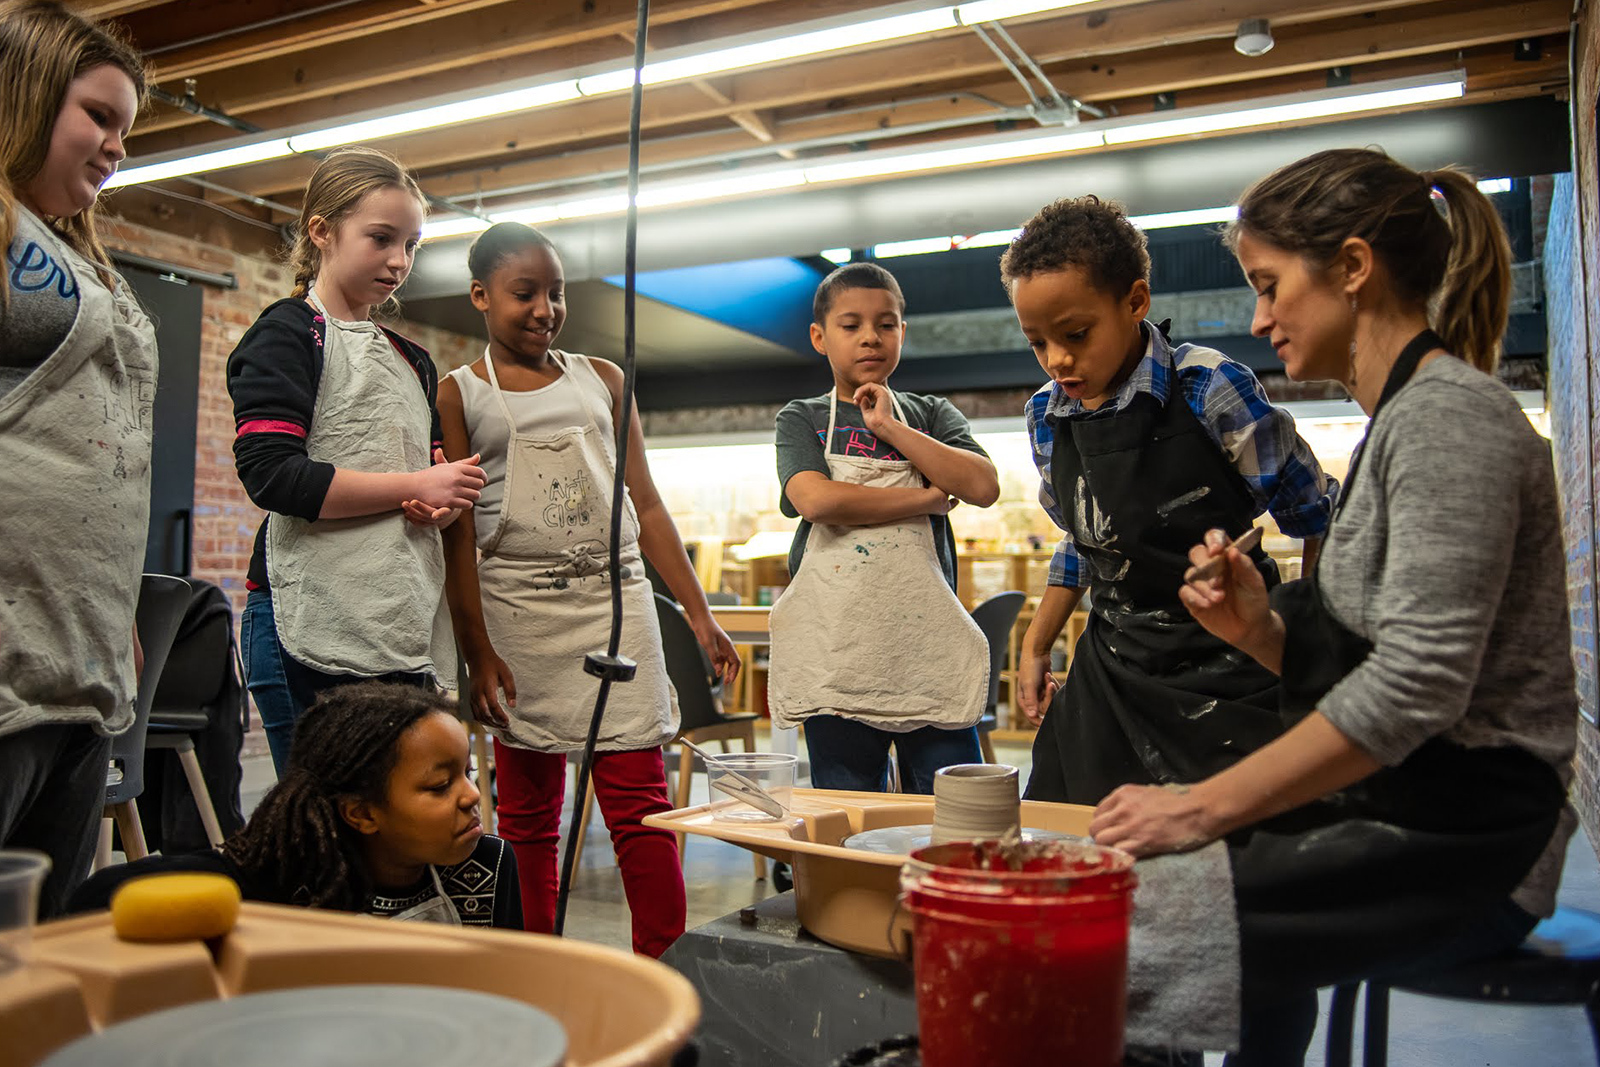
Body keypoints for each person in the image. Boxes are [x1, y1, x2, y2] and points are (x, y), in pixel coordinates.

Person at [1090, 149, 1578, 1066]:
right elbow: (1384, 664)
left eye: (1271, 286)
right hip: (1408, 810)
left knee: (1104, 914)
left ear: (1353, 268)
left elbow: (1419, 689)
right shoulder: (1396, 424)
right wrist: (1259, 629)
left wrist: (1199, 807)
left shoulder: (1447, 418)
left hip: (1464, 845)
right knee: (1108, 888)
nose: (1258, 316)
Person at [438, 222, 737, 958]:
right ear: (480, 296)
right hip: (520, 616)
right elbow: (458, 538)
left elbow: (650, 504)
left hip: (617, 604)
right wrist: (477, 651)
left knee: (641, 801)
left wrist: (698, 616)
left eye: (557, 293)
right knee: (531, 812)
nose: (545, 309)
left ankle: (666, 969)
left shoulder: (602, 379)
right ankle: (541, 966)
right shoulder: (457, 394)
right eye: (524, 293)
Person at [1002, 195, 1337, 806]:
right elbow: (1088, 541)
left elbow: (1313, 514)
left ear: (1135, 301)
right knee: (1071, 840)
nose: (1057, 360)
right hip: (1114, 671)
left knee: (1232, 859)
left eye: (1075, 334)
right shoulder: (1048, 416)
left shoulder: (1210, 389)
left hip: (1235, 664)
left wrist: (1307, 653)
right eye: (1037, 343)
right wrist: (1034, 644)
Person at [227, 146, 486, 774]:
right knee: (323, 833)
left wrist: (439, 501)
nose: (399, 261)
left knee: (393, 834)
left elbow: (421, 479)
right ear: (321, 231)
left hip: (397, 621)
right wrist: (412, 483)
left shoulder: (412, 360)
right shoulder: (287, 334)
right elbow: (272, 475)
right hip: (309, 621)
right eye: (381, 239)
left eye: (412, 245)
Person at [0, 0, 153, 918]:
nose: (116, 146)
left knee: (38, 953)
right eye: (98, 116)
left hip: (81, 661)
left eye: (125, 129)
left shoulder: (79, 255)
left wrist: (116, 596)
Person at [770, 262, 1000, 793]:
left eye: (887, 323)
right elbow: (817, 500)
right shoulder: (802, 418)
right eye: (851, 325)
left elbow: (983, 486)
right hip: (838, 652)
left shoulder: (931, 414)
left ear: (903, 331)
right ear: (820, 337)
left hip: (927, 651)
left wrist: (888, 425)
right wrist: (926, 497)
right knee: (852, 816)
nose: (871, 337)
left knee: (950, 812)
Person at [71, 684, 521, 929]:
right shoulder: (279, 875)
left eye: (468, 774)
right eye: (441, 785)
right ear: (361, 813)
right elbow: (99, 897)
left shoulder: (487, 866)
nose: (472, 796)